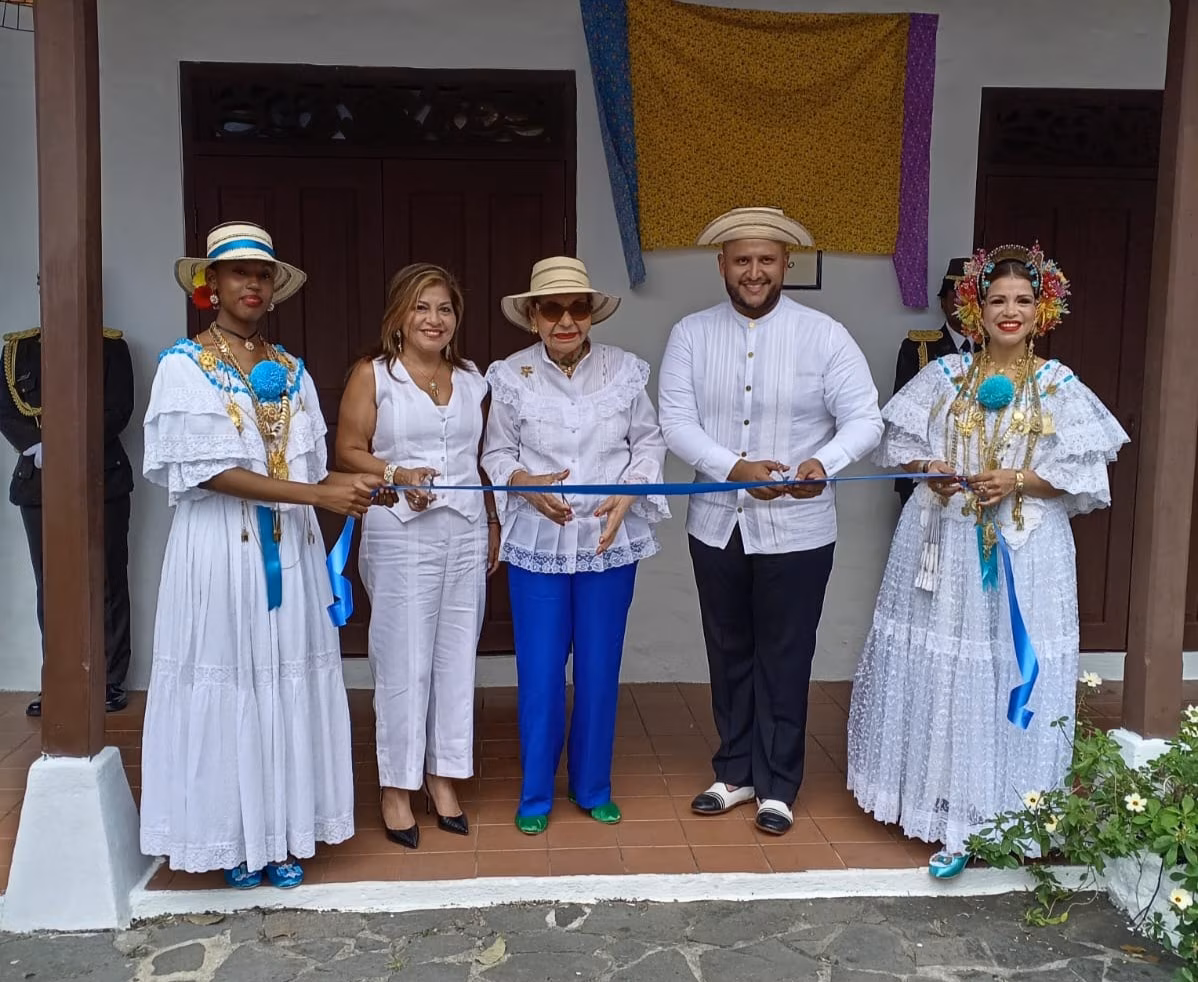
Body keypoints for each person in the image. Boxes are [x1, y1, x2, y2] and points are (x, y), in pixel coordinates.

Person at [846, 243, 1128, 878]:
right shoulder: (942, 376)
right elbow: (901, 445)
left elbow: (1082, 474)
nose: (1009, 311)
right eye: (996, 299)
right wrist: (932, 471)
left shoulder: (1058, 386)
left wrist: (1020, 480)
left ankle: (1010, 809)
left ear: (1042, 308)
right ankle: (943, 809)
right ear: (975, 308)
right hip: (943, 543)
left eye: (1022, 301)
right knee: (947, 663)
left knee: (1003, 665)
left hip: (1028, 551)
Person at [139, 221, 393, 889]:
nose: (252, 284)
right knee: (231, 678)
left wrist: (362, 486)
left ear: (274, 289)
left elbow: (314, 470)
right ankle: (230, 835)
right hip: (221, 551)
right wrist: (317, 492)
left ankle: (280, 832)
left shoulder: (295, 372)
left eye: (263, 274)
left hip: (293, 550)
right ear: (210, 284)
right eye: (238, 272)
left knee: (284, 678)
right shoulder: (183, 368)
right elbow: (208, 472)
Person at [658, 206, 883, 836]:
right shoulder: (690, 334)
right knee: (729, 649)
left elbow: (865, 419)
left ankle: (778, 784)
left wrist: (823, 461)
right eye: (741, 260)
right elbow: (676, 422)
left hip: (800, 530)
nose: (753, 272)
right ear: (721, 266)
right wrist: (733, 468)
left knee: (785, 654)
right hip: (717, 523)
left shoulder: (825, 334)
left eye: (766, 260)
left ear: (787, 264)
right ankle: (734, 770)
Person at [481, 257, 668, 835]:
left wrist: (630, 495)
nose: (566, 320)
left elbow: (649, 443)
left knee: (598, 667)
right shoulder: (510, 376)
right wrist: (524, 488)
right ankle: (536, 793)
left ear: (591, 314)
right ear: (532, 317)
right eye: (552, 308)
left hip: (608, 541)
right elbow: (495, 454)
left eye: (577, 307)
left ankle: (593, 787)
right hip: (540, 540)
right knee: (538, 670)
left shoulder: (626, 372)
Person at [336, 262, 499, 850]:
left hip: (464, 531)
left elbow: (484, 457)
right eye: (421, 307)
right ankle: (396, 787)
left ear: (456, 320)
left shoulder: (474, 380)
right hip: (400, 532)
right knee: (403, 660)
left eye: (444, 309)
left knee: (457, 656)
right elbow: (348, 449)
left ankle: (443, 775)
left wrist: (493, 519)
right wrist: (396, 471)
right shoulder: (374, 376)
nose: (434, 319)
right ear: (400, 317)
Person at [1, 311, 135, 717]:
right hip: (38, 480)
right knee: (52, 585)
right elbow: (6, 410)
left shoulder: (112, 347)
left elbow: (118, 409)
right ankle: (58, 681)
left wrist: (67, 444)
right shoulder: (18, 351)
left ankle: (109, 681)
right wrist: (40, 447)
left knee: (108, 579)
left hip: (101, 474)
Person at [893, 258, 972, 505]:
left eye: (971, 298)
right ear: (943, 301)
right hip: (926, 473)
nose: (964, 305)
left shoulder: (994, 352)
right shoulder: (918, 348)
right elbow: (902, 420)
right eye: (957, 296)